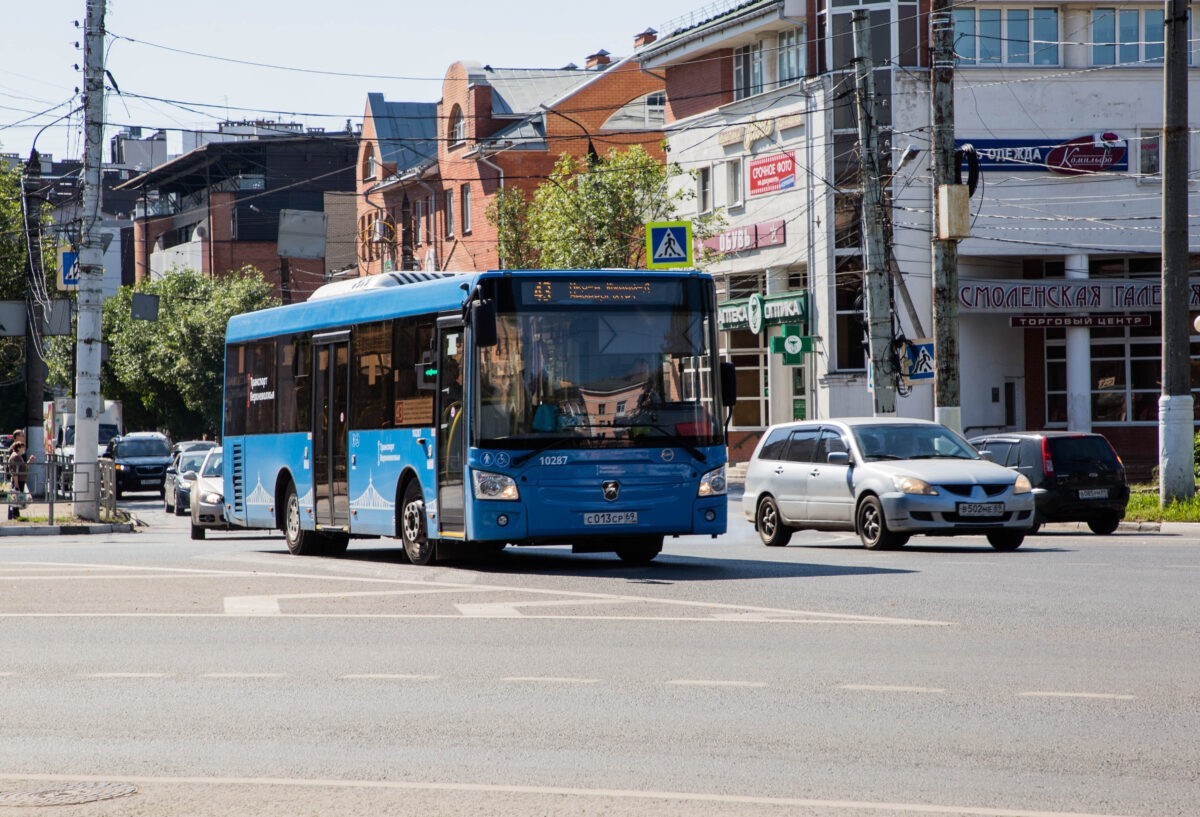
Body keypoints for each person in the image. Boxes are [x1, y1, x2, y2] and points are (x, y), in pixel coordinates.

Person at [7, 442, 28, 520]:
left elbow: (23, 467)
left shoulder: (17, 456)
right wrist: (16, 485)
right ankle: (16, 516)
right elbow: (15, 471)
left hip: (19, 480)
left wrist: (29, 461)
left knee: (17, 498)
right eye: (22, 447)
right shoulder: (16, 457)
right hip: (18, 481)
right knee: (16, 499)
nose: (23, 449)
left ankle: (15, 515)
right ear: (18, 448)